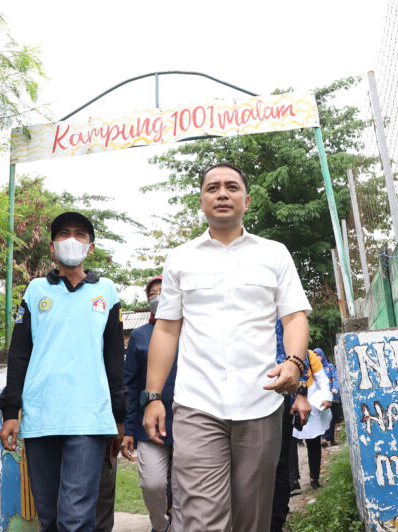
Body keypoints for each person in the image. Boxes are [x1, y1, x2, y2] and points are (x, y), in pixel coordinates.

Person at [142, 162, 312, 532]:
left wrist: (295, 364)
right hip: (197, 404)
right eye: (213, 187)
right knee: (202, 519)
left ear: (246, 200)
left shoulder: (274, 254)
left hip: (261, 402)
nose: (222, 193)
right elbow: (167, 330)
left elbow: (295, 318)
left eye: (232, 187)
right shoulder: (181, 258)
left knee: (253, 517)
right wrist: (153, 395)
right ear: (202, 200)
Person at [0, 211, 125, 532]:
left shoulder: (106, 292)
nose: (72, 240)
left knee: (76, 517)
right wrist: (11, 410)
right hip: (41, 416)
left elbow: (114, 358)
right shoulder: (36, 291)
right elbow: (19, 354)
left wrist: (121, 417)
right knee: (51, 518)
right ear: (53, 247)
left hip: (89, 417)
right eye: (64, 234)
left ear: (90, 246)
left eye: (80, 234)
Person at [121, 275, 181, 532]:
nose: (157, 297)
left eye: (162, 291)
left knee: (185, 488)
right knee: (152, 484)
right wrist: (129, 430)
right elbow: (131, 386)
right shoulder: (140, 336)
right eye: (151, 295)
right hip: (150, 427)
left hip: (188, 423)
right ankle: (160, 526)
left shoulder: (190, 332)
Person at [270, 319, 311, 532]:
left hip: (278, 392)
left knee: (279, 461)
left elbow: (297, 353)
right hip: (230, 400)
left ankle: (275, 523)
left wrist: (301, 393)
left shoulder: (279, 307)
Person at [292, 348, 333, 490]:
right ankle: (293, 480)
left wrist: (327, 397)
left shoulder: (308, 354)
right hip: (289, 402)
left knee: (314, 442)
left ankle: (314, 478)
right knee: (289, 444)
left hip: (311, 402)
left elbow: (321, 377)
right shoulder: (278, 353)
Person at [316, 348, 342, 446]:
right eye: (315, 356)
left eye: (318, 355)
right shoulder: (315, 368)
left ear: (322, 356)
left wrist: (335, 388)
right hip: (321, 397)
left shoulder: (330, 367)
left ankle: (330, 438)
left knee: (332, 418)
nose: (317, 357)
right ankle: (324, 438)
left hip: (332, 396)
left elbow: (335, 378)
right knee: (324, 417)